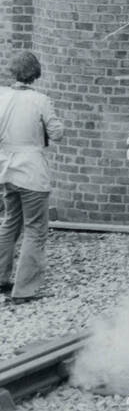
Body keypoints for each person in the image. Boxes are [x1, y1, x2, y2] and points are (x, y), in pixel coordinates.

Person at [0, 51, 64, 302]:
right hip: (32, 171)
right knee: (36, 228)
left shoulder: (1, 96)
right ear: (35, 74)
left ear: (13, 72)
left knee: (10, 223)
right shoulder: (41, 100)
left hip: (6, 168)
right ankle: (25, 289)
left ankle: (1, 278)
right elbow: (56, 133)